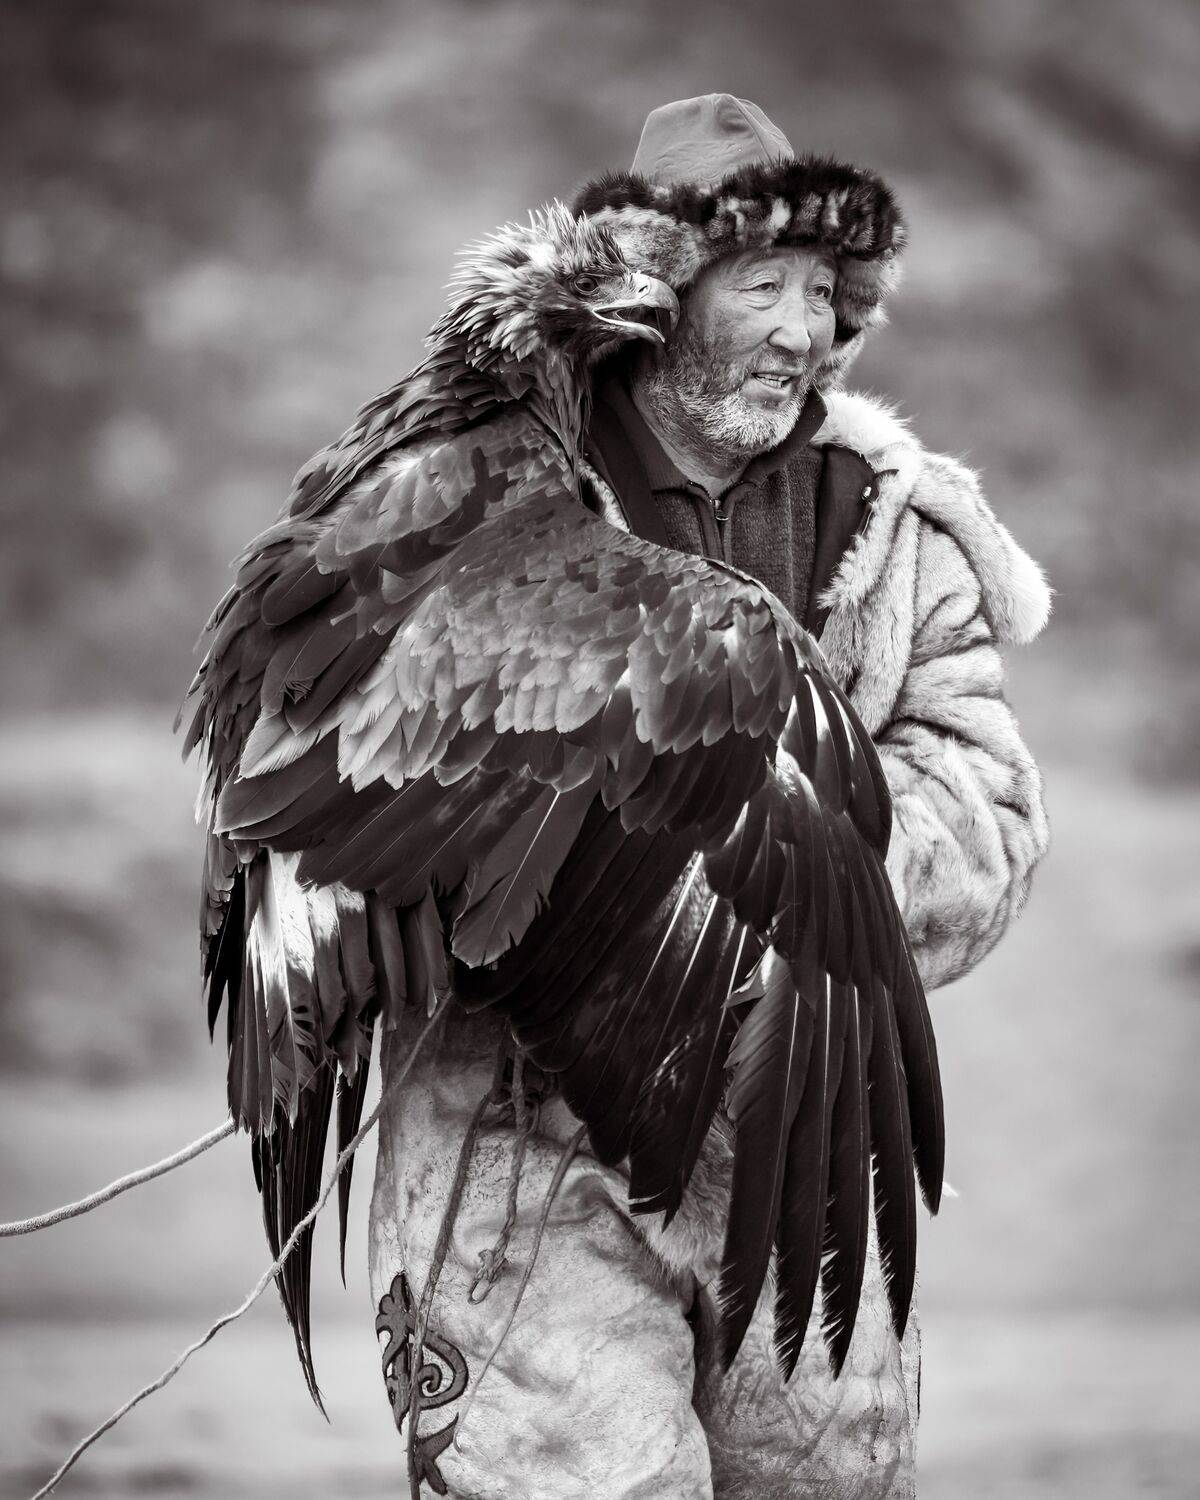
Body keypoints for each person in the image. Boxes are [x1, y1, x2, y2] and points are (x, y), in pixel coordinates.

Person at [368, 94, 1052, 1499]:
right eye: (761, 284)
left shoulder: (901, 536)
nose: (805, 328)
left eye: (827, 289)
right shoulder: (476, 502)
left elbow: (987, 814)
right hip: (517, 1147)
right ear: (658, 297)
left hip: (802, 1128)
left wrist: (759, 873)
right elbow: (337, 785)